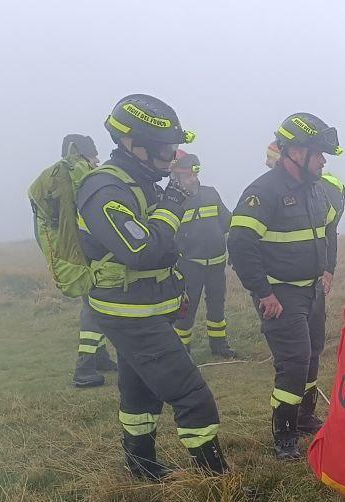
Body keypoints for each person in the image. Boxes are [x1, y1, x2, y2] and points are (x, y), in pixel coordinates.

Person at [75, 94, 227, 479]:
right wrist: (173, 202)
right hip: (130, 313)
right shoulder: (105, 189)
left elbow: (166, 245)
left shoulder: (140, 182)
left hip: (143, 306)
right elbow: (142, 250)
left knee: (139, 390)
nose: (171, 156)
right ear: (132, 144)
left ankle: (142, 469)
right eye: (164, 147)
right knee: (192, 395)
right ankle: (217, 481)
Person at [228, 113, 343, 460]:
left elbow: (329, 229)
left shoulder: (317, 189)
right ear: (295, 152)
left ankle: (305, 417)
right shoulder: (263, 192)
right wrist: (264, 292)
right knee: (293, 362)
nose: (323, 161)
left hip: (312, 290)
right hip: (280, 295)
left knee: (312, 354)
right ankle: (284, 435)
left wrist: (328, 270)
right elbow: (240, 244)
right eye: (318, 153)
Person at [28, 133, 118, 388]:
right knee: (94, 307)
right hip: (87, 252)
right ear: (82, 154)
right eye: (93, 154)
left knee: (91, 303)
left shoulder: (61, 177)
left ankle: (99, 358)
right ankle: (84, 368)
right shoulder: (78, 174)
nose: (97, 159)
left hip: (76, 251)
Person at [169, 152, 236, 358]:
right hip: (189, 266)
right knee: (186, 309)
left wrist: (234, 248)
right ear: (175, 177)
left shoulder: (211, 194)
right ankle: (182, 351)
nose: (193, 179)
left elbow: (228, 223)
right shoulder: (171, 202)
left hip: (216, 264)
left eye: (194, 175)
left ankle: (219, 345)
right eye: (188, 176)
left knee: (217, 304)